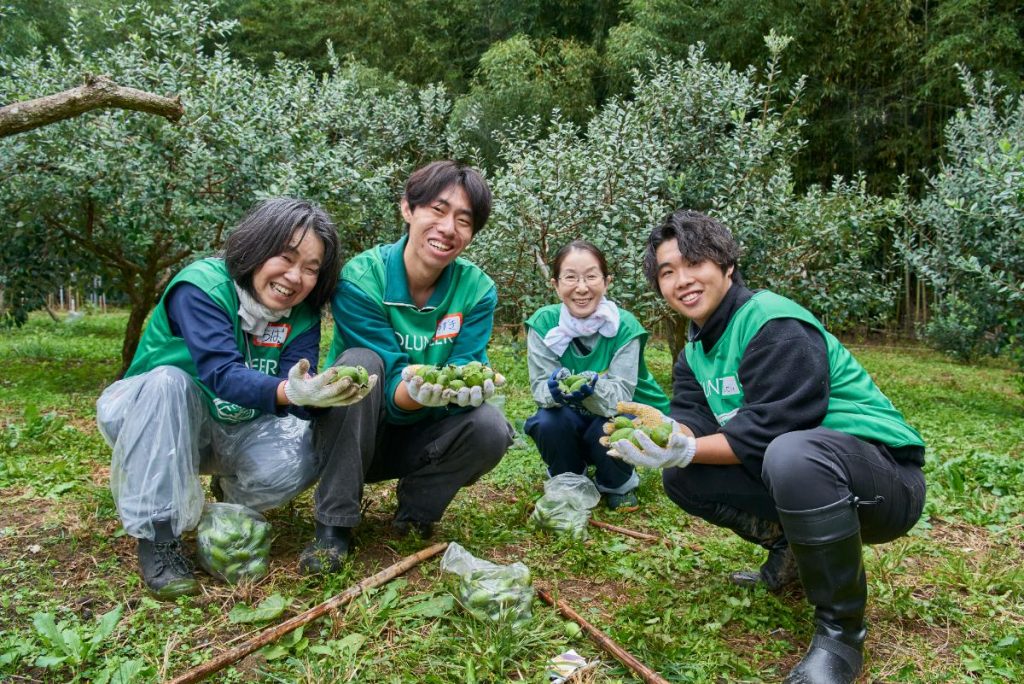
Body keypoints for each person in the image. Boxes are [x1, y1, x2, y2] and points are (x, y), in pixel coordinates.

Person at [609, 210, 926, 684]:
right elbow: (694, 421)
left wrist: (686, 447)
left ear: (727, 266)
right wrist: (666, 436)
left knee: (790, 453)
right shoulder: (696, 349)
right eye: (666, 272)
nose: (681, 280)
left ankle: (841, 634)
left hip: (883, 480)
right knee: (684, 477)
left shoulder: (772, 322)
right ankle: (791, 551)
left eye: (693, 263)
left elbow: (771, 430)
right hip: (806, 472)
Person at [96, 198, 375, 599]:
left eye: (311, 269)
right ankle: (159, 536)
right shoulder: (203, 286)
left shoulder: (301, 315)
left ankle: (227, 501)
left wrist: (318, 396)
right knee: (168, 383)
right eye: (286, 257)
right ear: (257, 247)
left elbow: (292, 385)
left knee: (301, 450)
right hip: (150, 418)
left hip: (229, 427)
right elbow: (220, 372)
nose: (294, 277)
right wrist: (289, 392)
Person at [302, 160, 515, 574]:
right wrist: (415, 390)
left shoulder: (477, 290)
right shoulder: (363, 279)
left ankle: (417, 510)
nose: (448, 227)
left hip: (420, 438)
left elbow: (464, 365)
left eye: (464, 220)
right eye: (437, 209)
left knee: (490, 426)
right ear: (407, 209)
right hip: (350, 434)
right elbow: (386, 377)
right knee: (361, 364)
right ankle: (333, 524)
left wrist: (461, 386)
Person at [523, 240, 670, 510]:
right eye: (570, 277)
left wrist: (593, 390)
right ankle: (568, 477)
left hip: (611, 412)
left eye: (591, 276)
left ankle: (617, 482)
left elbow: (622, 396)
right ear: (555, 285)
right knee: (547, 422)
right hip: (568, 417)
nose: (581, 288)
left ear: (607, 282)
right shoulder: (543, 323)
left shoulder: (625, 326)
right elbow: (540, 387)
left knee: (617, 424)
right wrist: (554, 391)